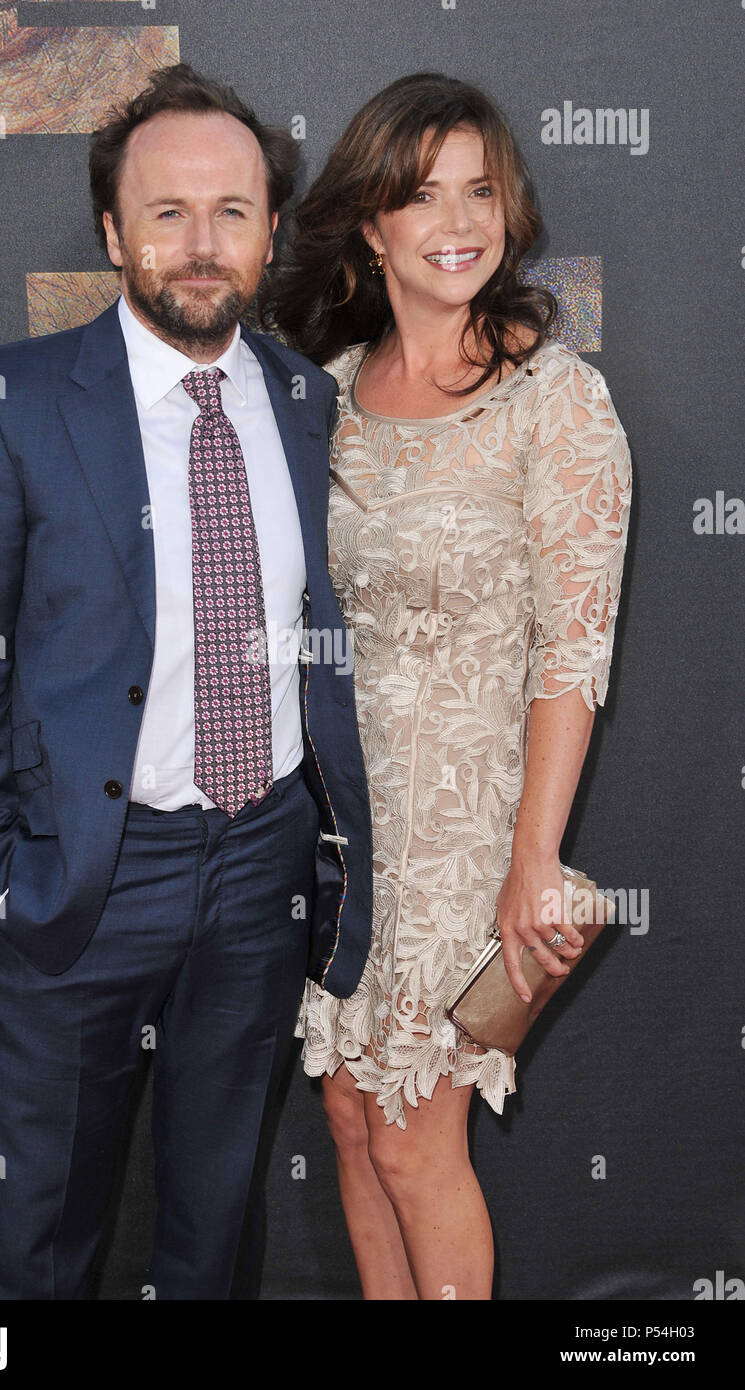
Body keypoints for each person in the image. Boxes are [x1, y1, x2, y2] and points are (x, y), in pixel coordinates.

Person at [0, 62, 373, 1301]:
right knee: (38, 1239)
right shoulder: (11, 403)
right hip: (83, 879)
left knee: (215, 1228)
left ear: (270, 228)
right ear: (114, 233)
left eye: (231, 209)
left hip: (259, 868)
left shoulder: (302, 398)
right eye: (166, 212)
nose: (201, 243)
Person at [262, 71, 632, 1300]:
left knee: (418, 1139)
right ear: (371, 225)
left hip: (472, 836)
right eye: (422, 196)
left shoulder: (553, 400)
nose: (459, 220)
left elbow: (572, 652)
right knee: (353, 1126)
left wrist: (536, 859)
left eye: (480, 189)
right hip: (339, 828)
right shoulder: (329, 399)